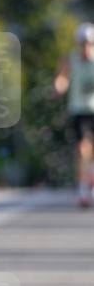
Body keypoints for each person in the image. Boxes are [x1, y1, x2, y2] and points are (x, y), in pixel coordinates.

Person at [54, 22, 94, 207]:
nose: (86, 47)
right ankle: (83, 189)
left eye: (89, 43)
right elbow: (63, 77)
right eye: (83, 43)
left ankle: (90, 176)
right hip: (79, 110)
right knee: (82, 149)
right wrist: (59, 86)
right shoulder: (71, 59)